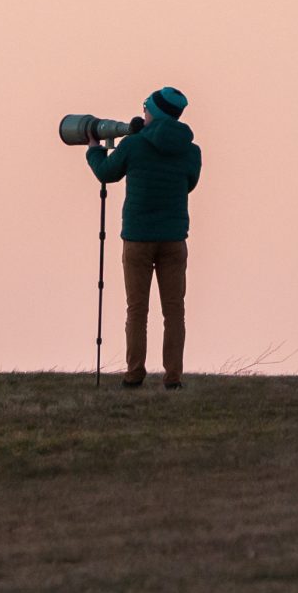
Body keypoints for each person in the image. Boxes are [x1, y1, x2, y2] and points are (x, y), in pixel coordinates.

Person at [84, 87, 203, 388]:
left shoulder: (134, 145)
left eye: (146, 108)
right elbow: (189, 184)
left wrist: (94, 150)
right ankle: (173, 377)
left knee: (137, 308)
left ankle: (134, 373)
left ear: (155, 112)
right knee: (174, 309)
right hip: (174, 238)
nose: (143, 114)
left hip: (137, 237)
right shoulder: (191, 151)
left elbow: (107, 173)